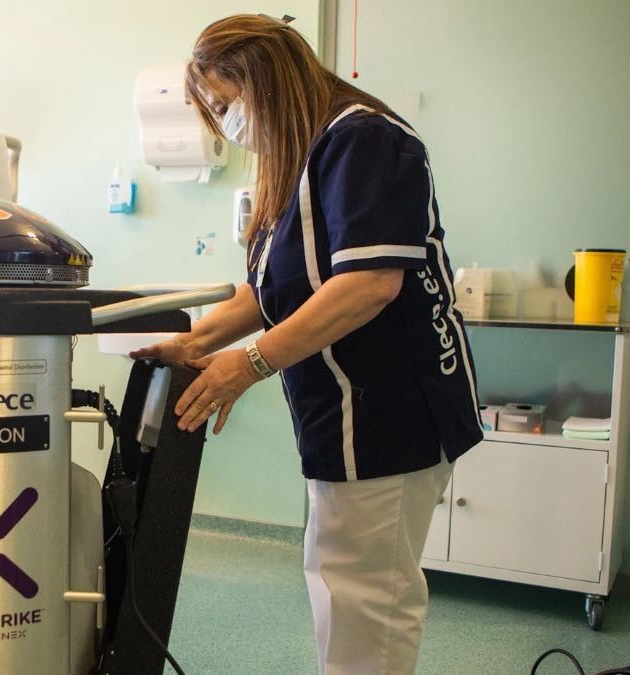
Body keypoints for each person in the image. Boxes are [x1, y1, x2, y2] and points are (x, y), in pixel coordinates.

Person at [130, 14, 484, 675]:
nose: (226, 124)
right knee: (340, 583)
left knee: (367, 608)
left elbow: (369, 284)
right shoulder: (294, 161)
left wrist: (252, 362)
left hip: (390, 413)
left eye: (224, 105)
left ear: (260, 78)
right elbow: (265, 292)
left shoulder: (364, 141)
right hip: (341, 413)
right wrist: (191, 341)